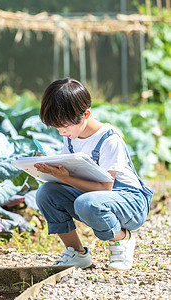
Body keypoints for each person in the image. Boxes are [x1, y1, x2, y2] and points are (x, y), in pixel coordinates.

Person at [34, 78, 153, 271]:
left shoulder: (109, 140)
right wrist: (51, 168)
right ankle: (77, 253)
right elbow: (71, 175)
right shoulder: (71, 136)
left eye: (64, 126)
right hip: (95, 196)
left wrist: (65, 177)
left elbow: (105, 187)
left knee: (86, 203)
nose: (61, 131)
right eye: (56, 127)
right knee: (46, 193)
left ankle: (122, 239)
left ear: (86, 114)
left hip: (130, 202)